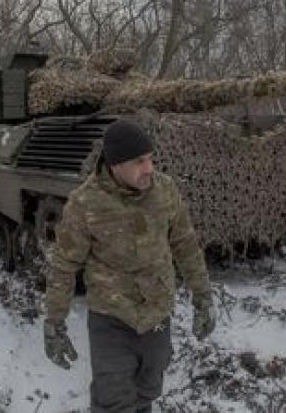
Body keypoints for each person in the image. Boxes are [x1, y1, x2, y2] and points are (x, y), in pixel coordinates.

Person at [43, 119, 216, 413]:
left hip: (157, 314)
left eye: (150, 159)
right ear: (114, 164)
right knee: (113, 401)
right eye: (139, 161)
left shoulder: (165, 190)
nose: (149, 168)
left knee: (147, 391)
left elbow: (185, 245)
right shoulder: (86, 203)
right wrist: (54, 322)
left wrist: (203, 296)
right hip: (111, 319)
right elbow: (64, 265)